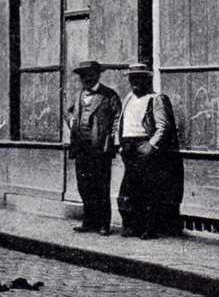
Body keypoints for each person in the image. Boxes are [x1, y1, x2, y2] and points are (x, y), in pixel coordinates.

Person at [115, 63, 181, 240]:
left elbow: (163, 127)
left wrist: (150, 146)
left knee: (148, 190)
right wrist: (120, 145)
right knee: (130, 189)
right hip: (128, 147)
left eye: (138, 78)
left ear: (147, 79)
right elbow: (120, 122)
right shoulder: (128, 98)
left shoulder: (156, 99)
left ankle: (148, 228)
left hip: (144, 146)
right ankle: (133, 226)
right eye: (132, 79)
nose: (134, 82)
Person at [66, 60, 121, 236]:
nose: (86, 78)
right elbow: (67, 112)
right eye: (83, 75)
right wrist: (72, 121)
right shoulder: (78, 95)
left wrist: (111, 139)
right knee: (84, 186)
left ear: (97, 74)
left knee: (101, 187)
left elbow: (117, 118)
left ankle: (104, 224)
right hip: (81, 147)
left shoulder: (108, 95)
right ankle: (89, 221)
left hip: (100, 148)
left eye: (89, 74)